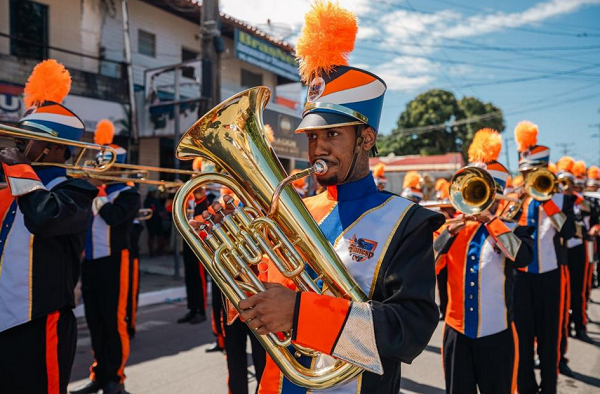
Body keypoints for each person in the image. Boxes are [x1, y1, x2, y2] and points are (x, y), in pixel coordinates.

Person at [194, 3, 444, 392]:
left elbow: (409, 328)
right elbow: (261, 300)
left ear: (366, 138)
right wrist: (232, 265)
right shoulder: (292, 211)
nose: (318, 149)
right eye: (312, 137)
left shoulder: (406, 222)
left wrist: (299, 313)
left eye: (332, 135)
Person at [0, 60, 98, 394]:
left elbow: (44, 217)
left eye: (29, 141)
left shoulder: (78, 192)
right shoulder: (14, 188)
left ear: (56, 148)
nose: (22, 148)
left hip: (41, 323)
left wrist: (21, 169)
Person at [435, 128, 534, 394]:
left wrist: (492, 220)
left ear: (497, 193)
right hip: (457, 333)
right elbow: (428, 264)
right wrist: (447, 232)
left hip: (498, 334)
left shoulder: (512, 227)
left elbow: (523, 258)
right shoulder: (453, 226)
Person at [71, 121, 141, 394]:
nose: (99, 172)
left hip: (115, 262)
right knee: (95, 320)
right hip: (90, 263)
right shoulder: (92, 191)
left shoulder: (129, 194)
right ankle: (99, 373)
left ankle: (116, 377)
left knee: (114, 322)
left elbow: (113, 218)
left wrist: (98, 191)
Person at [512, 120, 575, 394]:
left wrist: (546, 199)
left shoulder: (561, 201)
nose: (529, 179)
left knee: (549, 338)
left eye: (534, 173)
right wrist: (519, 201)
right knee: (522, 339)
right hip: (521, 279)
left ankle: (549, 387)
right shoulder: (516, 202)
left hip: (550, 277)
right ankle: (526, 387)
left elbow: (570, 231)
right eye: (526, 173)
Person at [178, 186, 209, 324]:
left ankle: (201, 311)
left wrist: (198, 194)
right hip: (188, 241)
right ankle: (192, 309)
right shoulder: (187, 200)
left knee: (199, 278)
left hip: (199, 243)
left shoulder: (205, 203)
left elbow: (205, 219)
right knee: (190, 277)